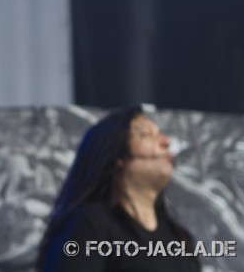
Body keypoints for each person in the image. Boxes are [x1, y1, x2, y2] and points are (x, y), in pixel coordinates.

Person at [36, 106, 200, 271]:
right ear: (118, 155)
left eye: (160, 134)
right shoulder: (87, 227)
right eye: (144, 134)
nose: (167, 142)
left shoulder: (178, 239)